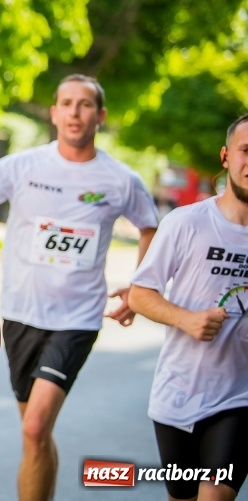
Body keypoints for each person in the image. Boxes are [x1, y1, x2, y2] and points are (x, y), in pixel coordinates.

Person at [0, 76, 158, 501]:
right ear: (54, 113)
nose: (75, 112)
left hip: (76, 320)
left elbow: (150, 227)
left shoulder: (120, 179)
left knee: (35, 425)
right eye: (66, 103)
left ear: (100, 116)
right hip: (21, 316)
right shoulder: (25, 166)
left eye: (85, 105)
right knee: (36, 436)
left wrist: (137, 287)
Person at [129, 114, 248, 501]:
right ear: (226, 156)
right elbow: (140, 293)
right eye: (246, 151)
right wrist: (187, 319)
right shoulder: (187, 223)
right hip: (178, 395)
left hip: (239, 397)